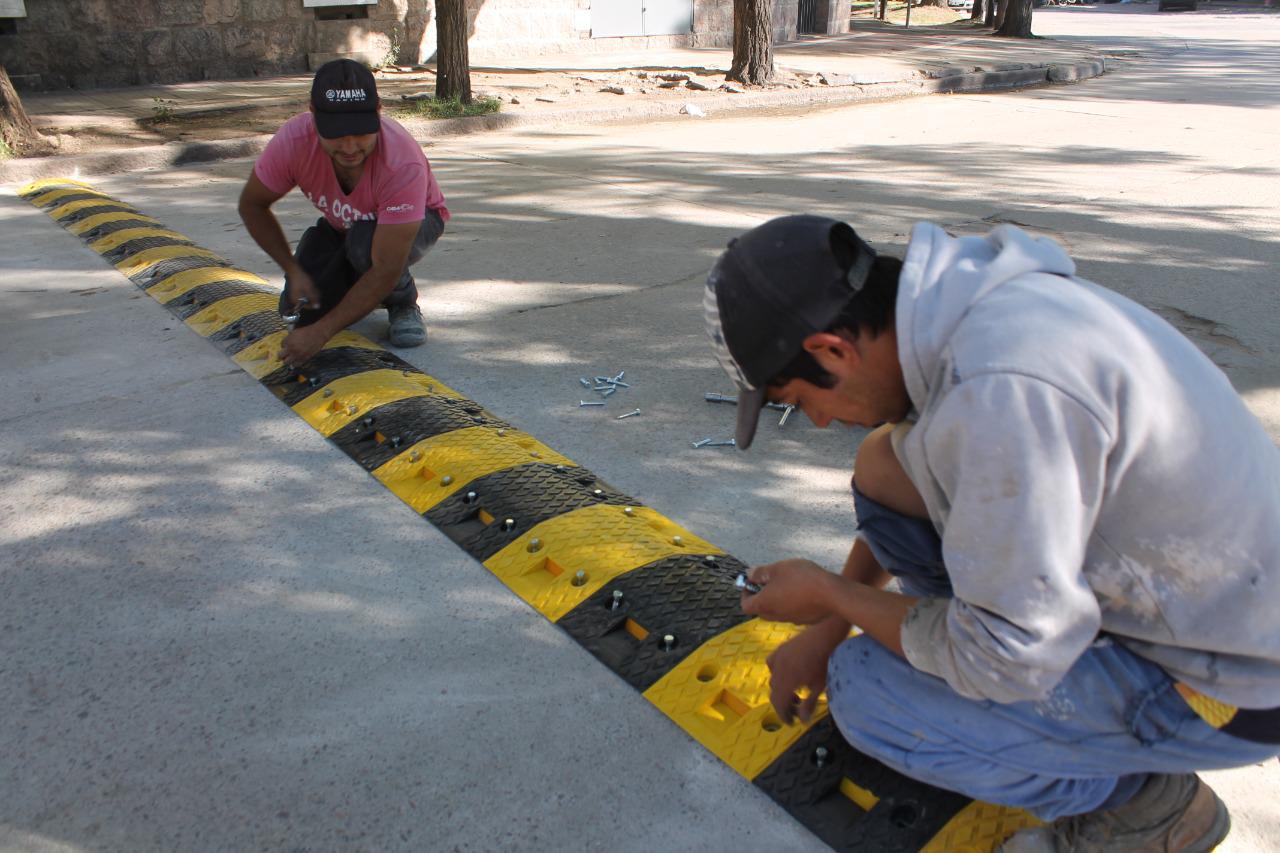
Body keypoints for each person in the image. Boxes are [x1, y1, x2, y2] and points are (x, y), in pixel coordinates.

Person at [703, 214, 1280, 851]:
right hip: (1197, 597)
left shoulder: (1000, 392)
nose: (815, 422)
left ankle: (1146, 806)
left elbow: (1004, 661)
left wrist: (836, 599)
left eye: (797, 400)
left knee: (867, 690)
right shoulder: (973, 309)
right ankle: (999, 670)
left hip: (1230, 682)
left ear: (831, 351)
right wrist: (829, 625)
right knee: (884, 463)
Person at [238, 58, 449, 365]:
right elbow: (252, 204)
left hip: (419, 220)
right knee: (299, 308)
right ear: (313, 115)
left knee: (367, 251)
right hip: (345, 225)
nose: (349, 147)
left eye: (361, 132)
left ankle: (403, 303)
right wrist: (293, 270)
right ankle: (339, 264)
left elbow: (385, 267)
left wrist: (321, 333)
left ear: (378, 111)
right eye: (336, 134)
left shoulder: (402, 162)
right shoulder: (294, 141)